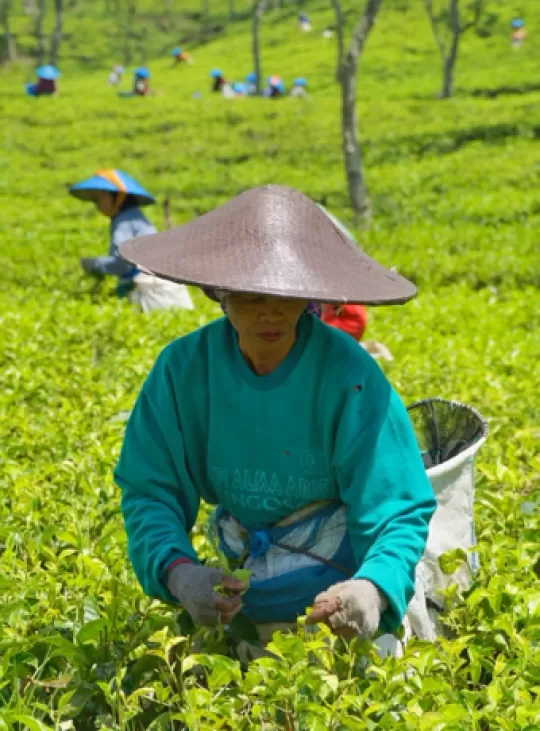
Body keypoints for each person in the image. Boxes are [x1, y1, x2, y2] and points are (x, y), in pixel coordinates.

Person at [114, 185, 437, 653]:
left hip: (344, 577)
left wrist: (372, 588)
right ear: (217, 293)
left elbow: (394, 508)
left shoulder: (349, 375)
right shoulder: (184, 371)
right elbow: (150, 489)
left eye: (284, 294)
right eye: (249, 295)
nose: (269, 311)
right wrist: (179, 573)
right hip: (244, 581)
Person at [69, 169, 194, 312]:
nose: (96, 205)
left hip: (155, 291)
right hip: (163, 287)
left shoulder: (124, 223)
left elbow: (122, 263)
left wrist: (94, 264)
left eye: (99, 199)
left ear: (117, 197)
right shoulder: (133, 218)